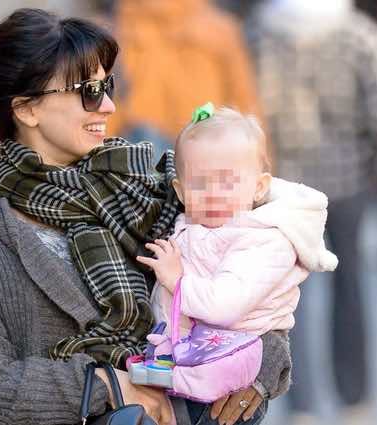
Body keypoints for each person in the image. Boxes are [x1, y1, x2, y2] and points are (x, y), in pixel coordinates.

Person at [0, 8, 292, 425]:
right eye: (87, 91)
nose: (107, 105)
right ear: (27, 109)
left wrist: (258, 374)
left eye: (108, 86)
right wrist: (106, 385)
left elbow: (263, 273)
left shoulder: (163, 189)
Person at [244, 1, 377, 423]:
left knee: (288, 297)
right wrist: (376, 167)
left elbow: (248, 107)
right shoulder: (359, 34)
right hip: (348, 180)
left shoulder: (261, 32)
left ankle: (301, 403)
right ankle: (354, 398)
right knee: (350, 286)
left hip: (283, 186)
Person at [136, 105, 337, 423]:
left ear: (258, 186)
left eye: (227, 182)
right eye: (200, 184)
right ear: (181, 190)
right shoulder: (193, 225)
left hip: (228, 375)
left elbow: (224, 305)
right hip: (190, 364)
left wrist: (177, 281)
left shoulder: (263, 239)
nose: (214, 194)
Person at [106, 0, 264, 164]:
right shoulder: (118, 33)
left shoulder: (219, 32)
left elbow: (244, 106)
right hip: (171, 155)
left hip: (206, 153)